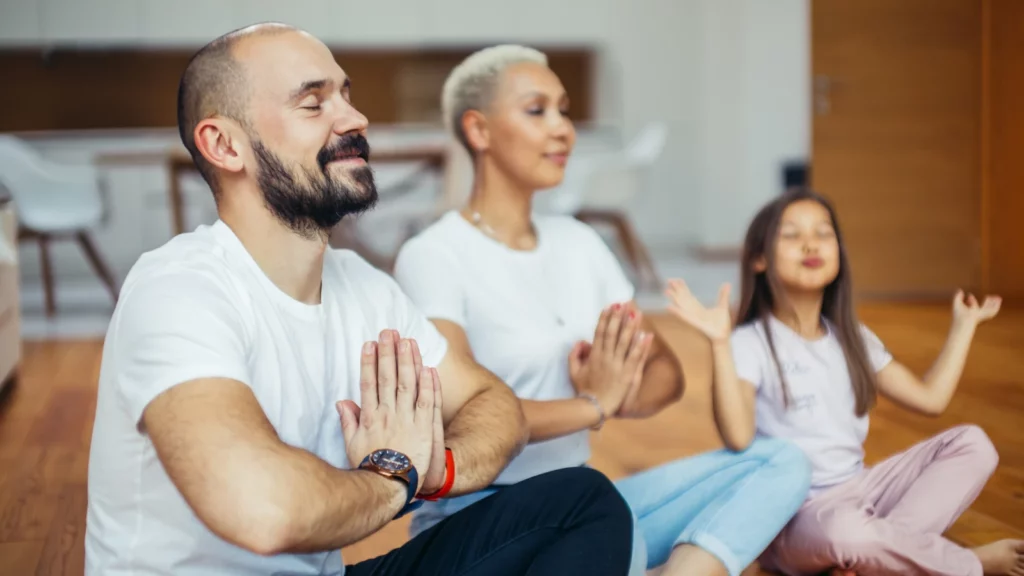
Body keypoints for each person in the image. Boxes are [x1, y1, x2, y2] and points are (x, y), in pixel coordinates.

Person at [84, 24, 637, 576]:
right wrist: (391, 475)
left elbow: (497, 408)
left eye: (345, 95)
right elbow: (265, 512)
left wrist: (431, 469)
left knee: (581, 501)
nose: (353, 119)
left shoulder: (362, 285)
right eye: (312, 102)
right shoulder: (178, 288)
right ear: (225, 145)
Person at [391, 44, 812, 576]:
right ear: (479, 130)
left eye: (564, 110)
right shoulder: (433, 255)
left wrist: (614, 388)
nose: (563, 129)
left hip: (586, 497)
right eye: (536, 110)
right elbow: (460, 412)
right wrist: (594, 403)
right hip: (479, 515)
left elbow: (664, 373)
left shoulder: (581, 243)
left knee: (780, 461)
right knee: (604, 529)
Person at [665, 186, 1024, 576]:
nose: (810, 244)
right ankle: (966, 564)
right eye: (791, 235)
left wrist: (963, 327)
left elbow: (931, 400)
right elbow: (736, 436)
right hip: (796, 517)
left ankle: (874, 561)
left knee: (974, 444)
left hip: (861, 491)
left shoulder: (852, 337)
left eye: (823, 232)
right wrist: (718, 343)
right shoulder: (749, 342)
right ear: (758, 259)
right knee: (847, 532)